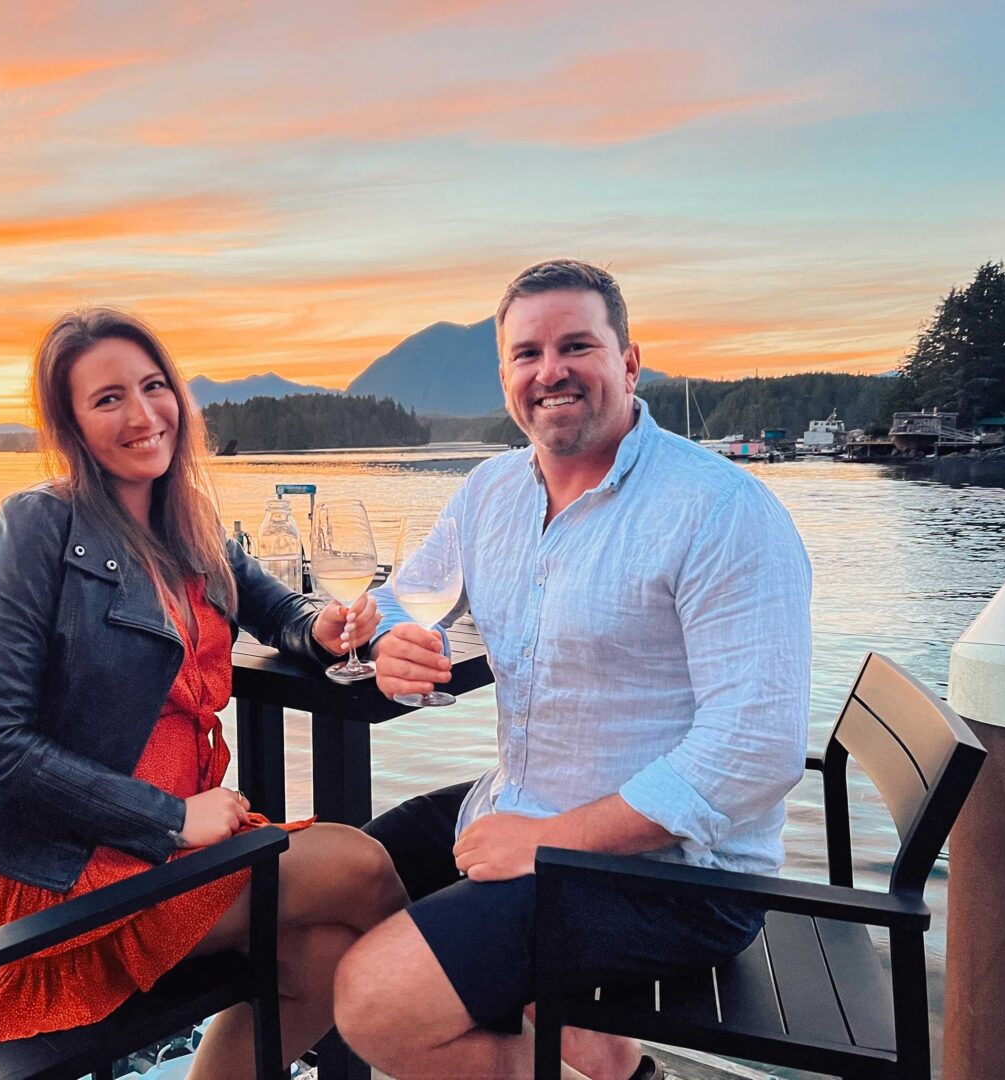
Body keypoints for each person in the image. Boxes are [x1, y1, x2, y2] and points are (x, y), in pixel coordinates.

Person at [333, 260, 812, 1080]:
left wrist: (550, 842)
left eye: (575, 346)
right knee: (338, 888)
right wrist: (396, 641)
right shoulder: (490, 492)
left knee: (372, 1001)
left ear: (628, 363)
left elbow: (755, 750)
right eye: (526, 354)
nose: (549, 371)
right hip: (523, 805)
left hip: (682, 878)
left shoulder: (718, 509)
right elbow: (413, 595)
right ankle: (621, 1070)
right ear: (506, 378)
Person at [0, 308, 407, 1078]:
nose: (144, 415)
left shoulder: (187, 520)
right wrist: (172, 818)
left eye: (153, 386)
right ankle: (478, 1048)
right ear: (70, 423)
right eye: (108, 399)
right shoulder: (33, 528)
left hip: (153, 850)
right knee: (364, 867)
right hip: (67, 870)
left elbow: (279, 610)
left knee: (324, 954)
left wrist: (327, 628)